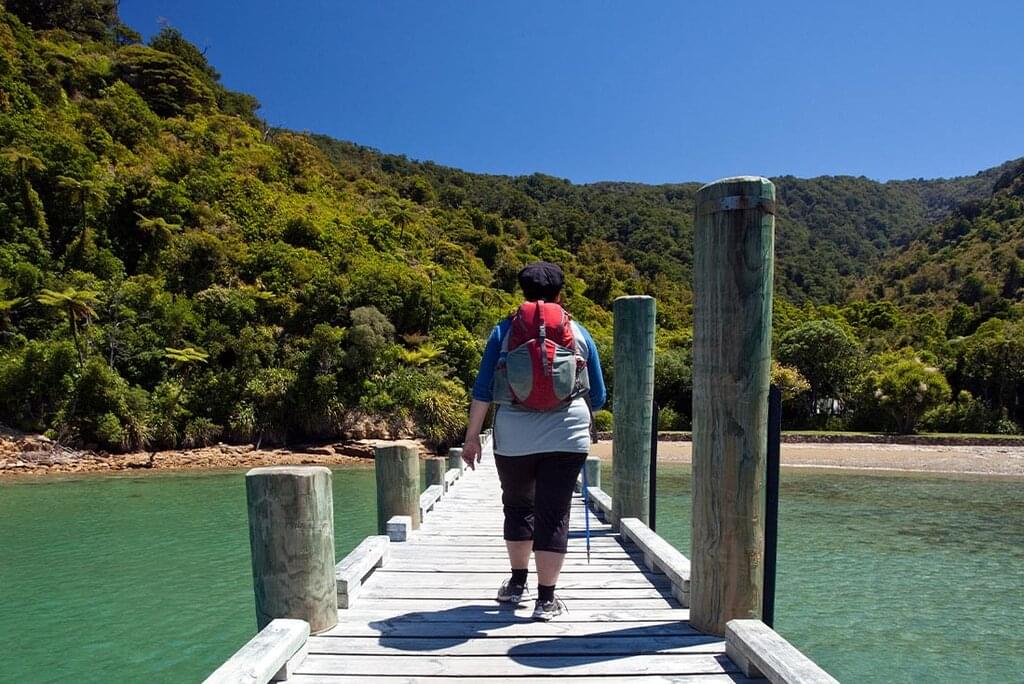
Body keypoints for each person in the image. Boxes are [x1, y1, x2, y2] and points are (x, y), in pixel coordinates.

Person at [461, 261, 607, 621]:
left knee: (517, 507)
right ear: (560, 293)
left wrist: (472, 438)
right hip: (567, 436)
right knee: (554, 514)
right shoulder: (578, 332)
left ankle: (516, 584)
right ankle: (546, 601)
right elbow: (599, 396)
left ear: (523, 292)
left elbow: (483, 389)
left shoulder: (503, 331)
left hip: (514, 438)